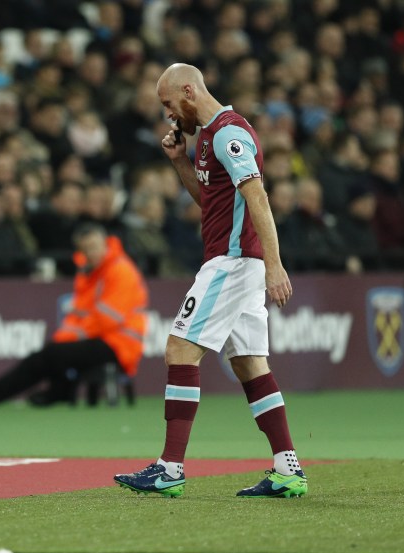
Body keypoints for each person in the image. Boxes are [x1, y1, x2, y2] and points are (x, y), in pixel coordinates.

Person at [114, 63, 306, 499]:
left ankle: (170, 468)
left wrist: (274, 265)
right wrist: (180, 161)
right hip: (237, 260)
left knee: (180, 348)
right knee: (250, 363)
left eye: (168, 104)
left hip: (233, 261)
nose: (167, 114)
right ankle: (288, 467)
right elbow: (212, 202)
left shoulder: (227, 133)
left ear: (188, 90)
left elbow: (257, 196)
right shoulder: (204, 138)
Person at [0, 223, 147, 407]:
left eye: (94, 246)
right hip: (104, 341)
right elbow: (79, 317)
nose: (91, 253)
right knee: (49, 356)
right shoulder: (91, 273)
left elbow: (106, 320)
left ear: (105, 242)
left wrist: (60, 343)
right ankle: (47, 393)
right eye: (85, 249)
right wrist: (60, 342)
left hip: (119, 345)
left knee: (48, 356)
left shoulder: (120, 271)